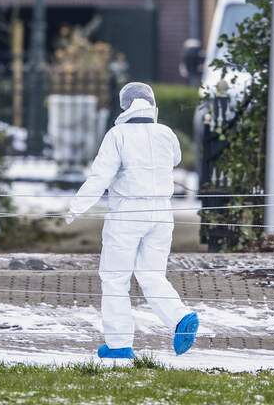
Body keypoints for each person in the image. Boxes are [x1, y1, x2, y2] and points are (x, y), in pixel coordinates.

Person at [64, 82, 199, 359]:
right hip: (162, 214)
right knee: (152, 274)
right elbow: (175, 159)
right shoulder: (166, 133)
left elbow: (100, 177)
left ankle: (118, 344)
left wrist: (75, 207)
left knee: (115, 278)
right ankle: (180, 318)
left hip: (127, 214)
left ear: (124, 106)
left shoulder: (118, 135)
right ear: (151, 104)